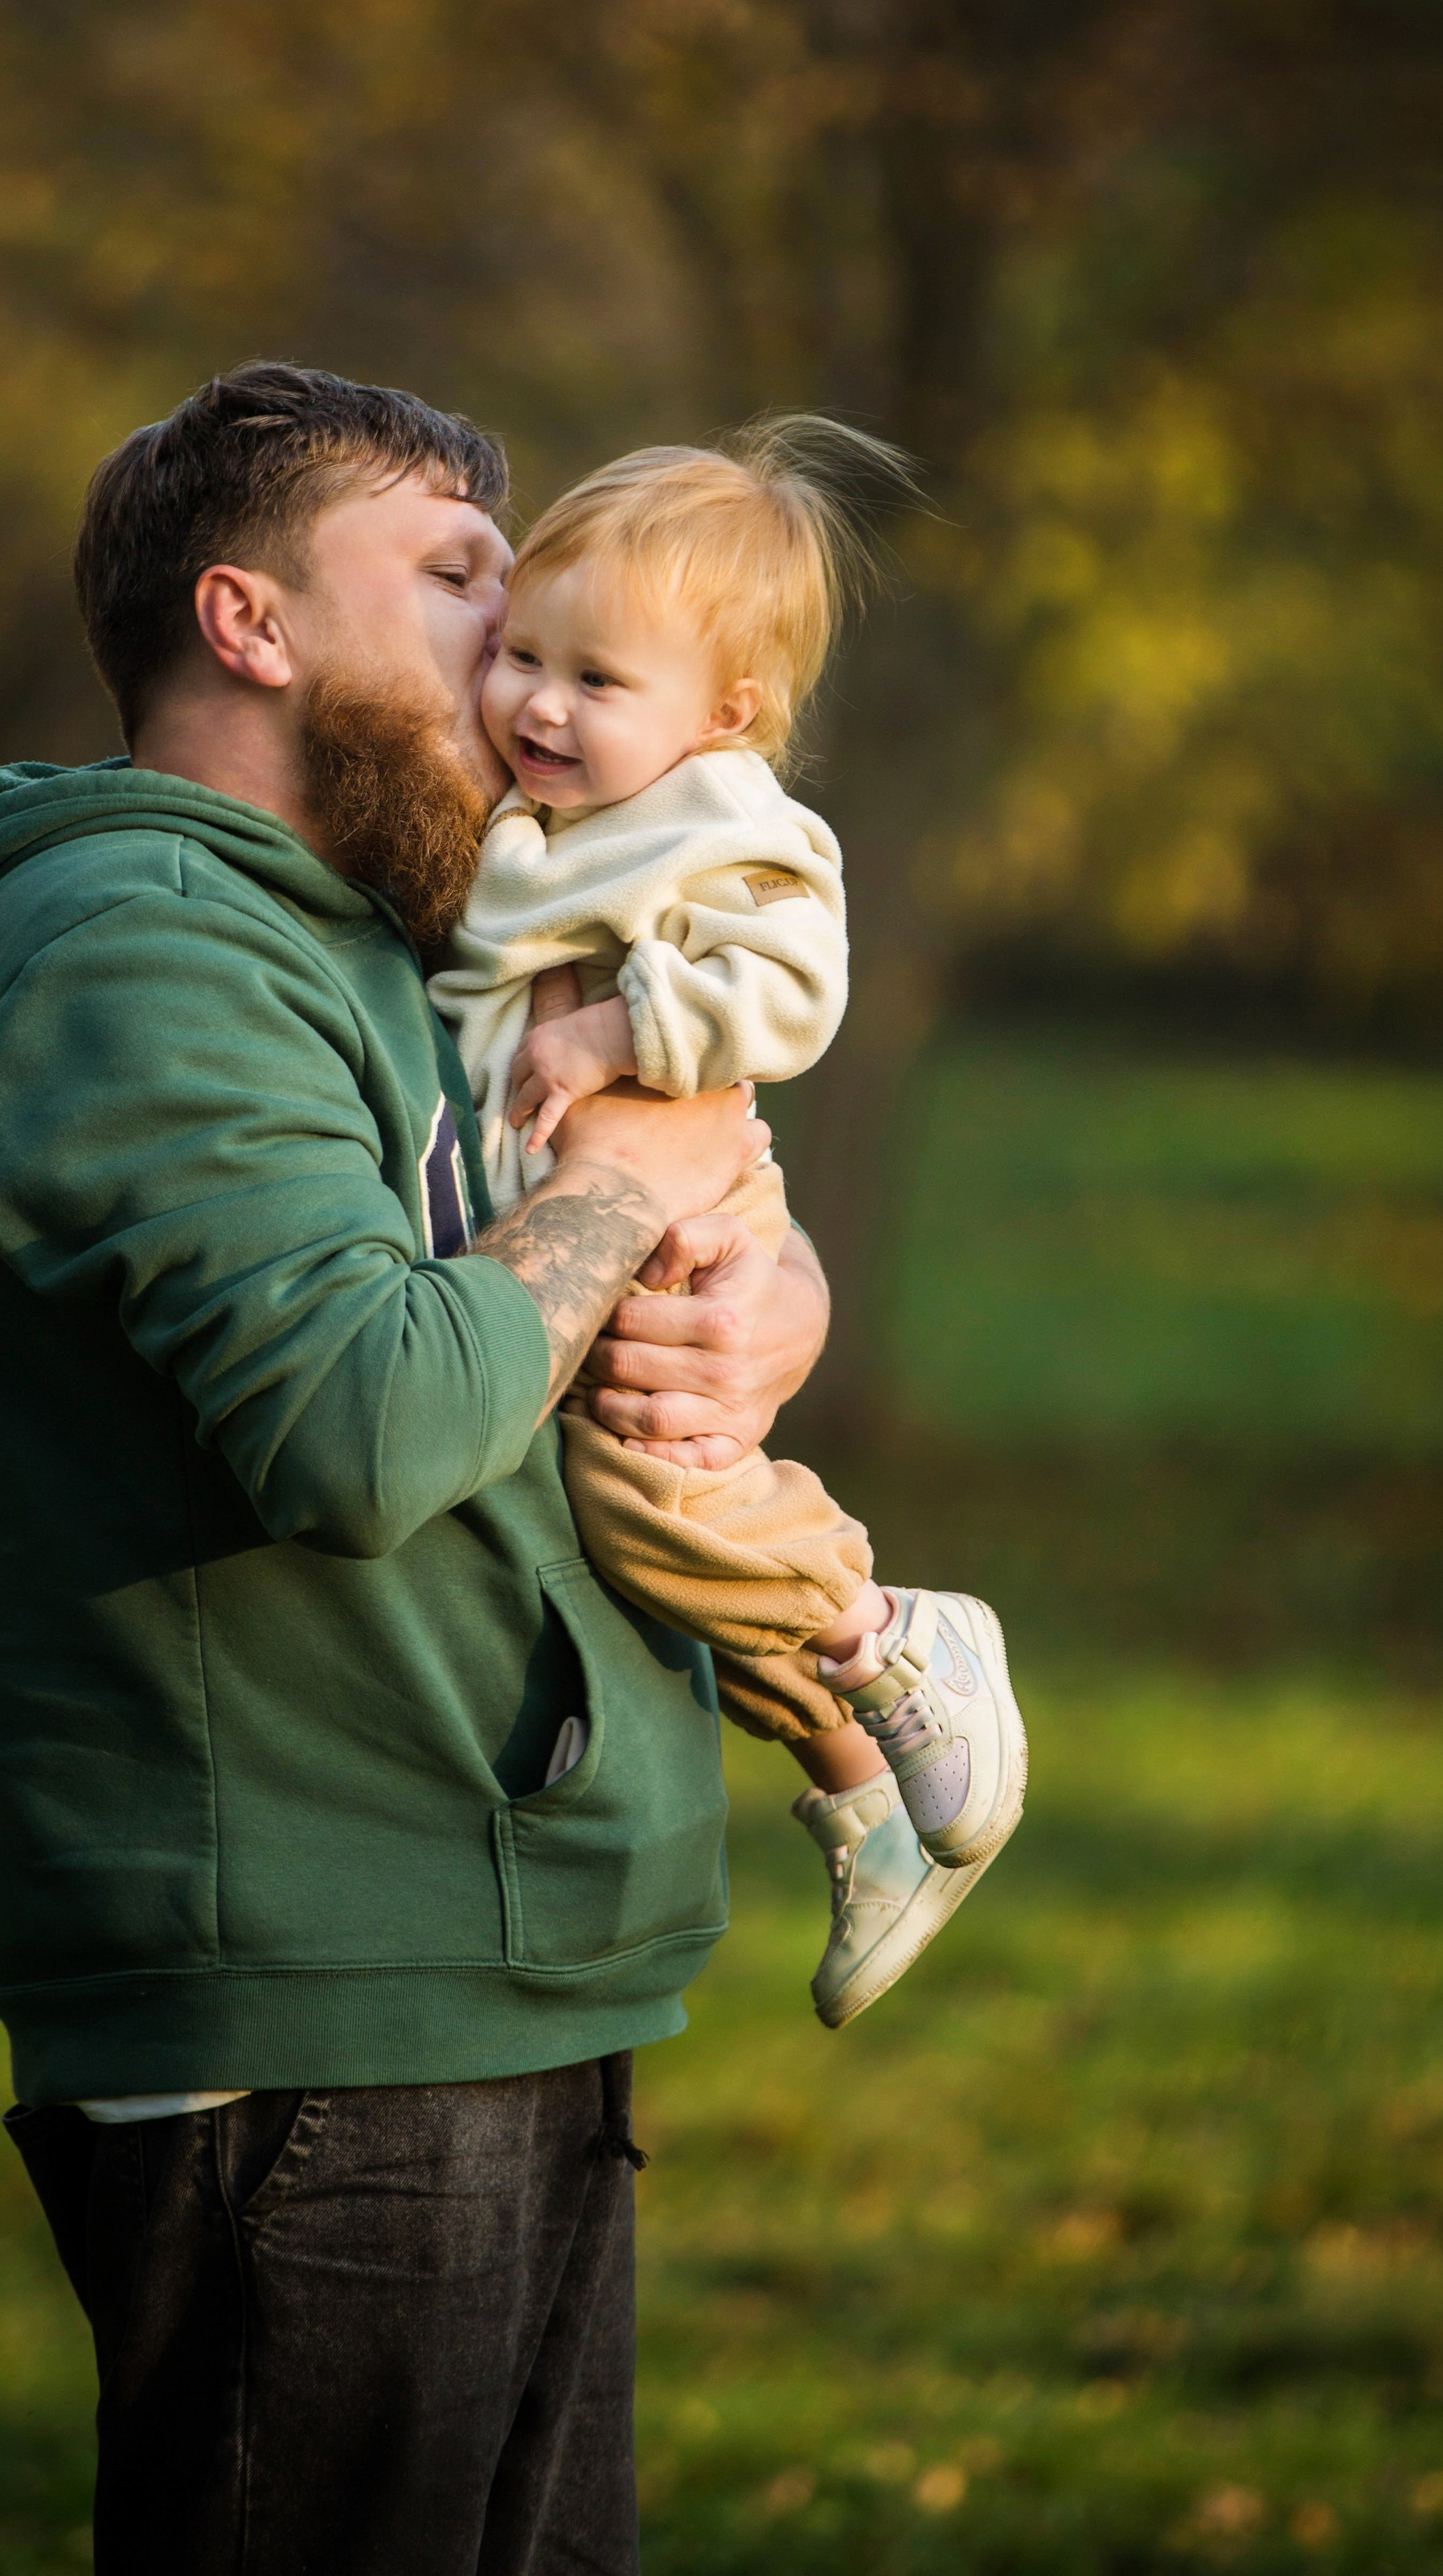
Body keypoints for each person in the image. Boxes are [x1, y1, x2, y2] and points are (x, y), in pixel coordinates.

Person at [0, 363, 837, 2576]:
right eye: (460, 581)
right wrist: (628, 1185)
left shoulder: (388, 940)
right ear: (251, 623)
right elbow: (374, 1421)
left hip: (478, 1949)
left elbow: (577, 1249)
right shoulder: (137, 945)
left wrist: (761, 1283)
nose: (517, 648)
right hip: (309, 2006)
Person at [428, 422, 1027, 2031]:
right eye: (523, 658)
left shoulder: (720, 821)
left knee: (650, 1505)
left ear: (723, 716)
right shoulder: (545, 809)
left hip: (682, 1198)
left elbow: (787, 987)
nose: (537, 705)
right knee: (652, 1540)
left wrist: (610, 1039)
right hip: (585, 1218)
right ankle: (864, 1788)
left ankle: (887, 1634)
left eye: (593, 680)